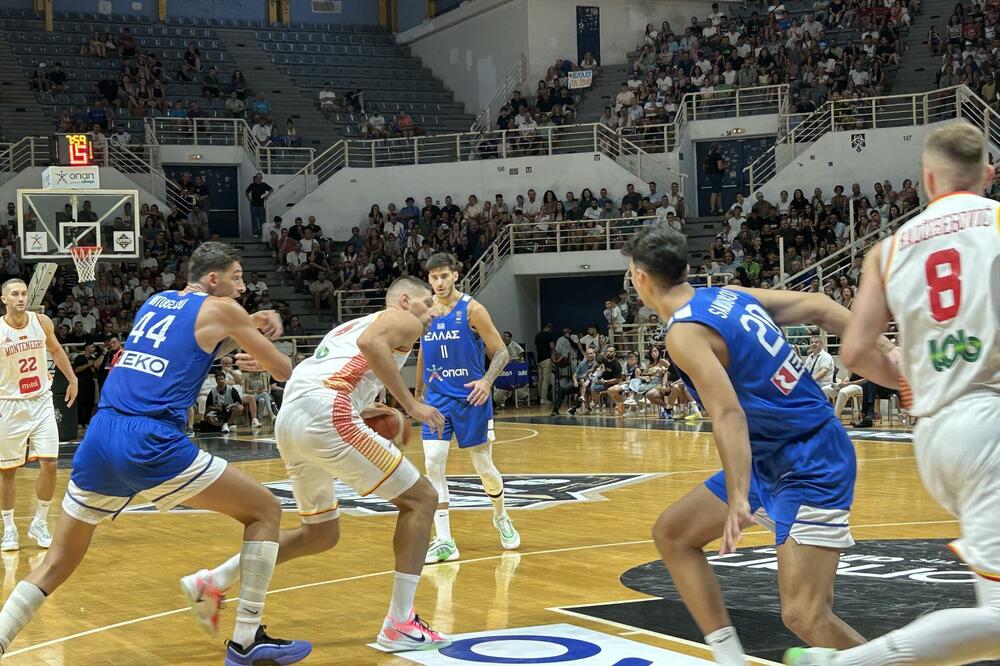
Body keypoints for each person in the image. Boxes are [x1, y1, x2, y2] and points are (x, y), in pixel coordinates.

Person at [0, 244, 312, 664]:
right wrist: (258, 328)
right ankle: (246, 639)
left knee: (56, 563)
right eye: (237, 277)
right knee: (266, 513)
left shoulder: (155, 302)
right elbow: (282, 369)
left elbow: (193, 347)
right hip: (150, 441)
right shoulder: (222, 307)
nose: (243, 285)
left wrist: (246, 327)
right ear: (214, 280)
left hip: (101, 435)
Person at [622, 225, 896, 666]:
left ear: (639, 278)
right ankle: (729, 658)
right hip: (774, 458)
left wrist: (736, 497)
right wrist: (888, 353)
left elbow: (729, 415)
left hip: (809, 460)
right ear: (686, 269)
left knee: (806, 616)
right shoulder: (727, 295)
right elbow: (822, 307)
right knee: (673, 534)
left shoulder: (684, 334)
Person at [784, 123, 1000, 665]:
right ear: (989, 174)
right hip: (990, 424)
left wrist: (908, 379)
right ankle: (851, 662)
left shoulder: (887, 250)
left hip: (936, 435)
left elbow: (855, 351)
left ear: (928, 179)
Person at [185, 276, 452, 652]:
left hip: (292, 419)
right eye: (427, 303)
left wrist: (373, 407)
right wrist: (411, 405)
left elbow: (322, 373)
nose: (432, 312)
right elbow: (369, 345)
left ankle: (213, 580)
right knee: (421, 500)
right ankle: (400, 623)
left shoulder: (346, 326)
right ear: (405, 301)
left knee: (321, 533)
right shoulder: (403, 320)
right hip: (328, 415)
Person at [417, 253, 520, 564]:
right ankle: (445, 540)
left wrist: (487, 382)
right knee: (433, 463)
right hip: (437, 399)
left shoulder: (473, 309)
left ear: (456, 275)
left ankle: (501, 515)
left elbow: (501, 352)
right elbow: (424, 349)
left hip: (471, 397)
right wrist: (418, 392)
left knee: (483, 468)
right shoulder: (424, 312)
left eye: (444, 276)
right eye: (434, 277)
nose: (439, 282)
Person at [0, 280, 78, 552]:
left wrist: (72, 378)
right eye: (15, 294)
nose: (21, 298)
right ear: (4, 299)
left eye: (23, 293)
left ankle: (40, 522)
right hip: (9, 404)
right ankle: (9, 528)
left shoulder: (42, 321)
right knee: (7, 471)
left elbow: (55, 350)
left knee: (50, 463)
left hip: (41, 400)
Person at [244, 173, 273, 239]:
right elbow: (246, 192)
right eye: (257, 177)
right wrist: (249, 199)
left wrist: (267, 195)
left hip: (261, 206)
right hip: (253, 206)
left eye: (260, 177)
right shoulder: (252, 185)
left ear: (261, 178)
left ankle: (262, 233)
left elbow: (271, 189)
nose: (258, 178)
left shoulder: (264, 185)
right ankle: (255, 233)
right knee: (254, 220)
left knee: (262, 221)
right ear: (256, 178)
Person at [705, 143, 729, 215]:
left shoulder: (710, 156)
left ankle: (720, 209)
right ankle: (713, 209)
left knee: (718, 192)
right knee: (715, 192)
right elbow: (720, 167)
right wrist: (727, 166)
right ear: (718, 148)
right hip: (717, 175)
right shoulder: (717, 156)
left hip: (712, 175)